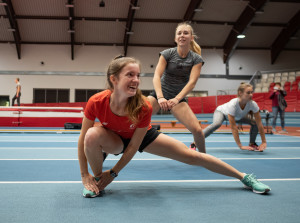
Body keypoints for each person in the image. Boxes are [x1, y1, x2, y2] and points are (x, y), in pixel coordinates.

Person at [77, 56, 271, 198]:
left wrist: (113, 173)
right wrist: (84, 174)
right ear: (114, 79)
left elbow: (134, 146)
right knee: (91, 136)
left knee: (193, 156)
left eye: (138, 75)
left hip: (140, 137)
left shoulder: (142, 106)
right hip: (113, 138)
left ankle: (244, 177)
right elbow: (82, 139)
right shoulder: (97, 101)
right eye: (130, 75)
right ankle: (94, 182)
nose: (136, 80)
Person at [148, 22, 206, 153]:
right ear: (175, 38)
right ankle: (108, 149)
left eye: (186, 33)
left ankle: (203, 157)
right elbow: (156, 75)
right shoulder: (167, 54)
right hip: (159, 95)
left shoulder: (196, 59)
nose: (182, 35)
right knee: (134, 120)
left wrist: (177, 99)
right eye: (179, 33)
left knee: (197, 130)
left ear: (191, 38)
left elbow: (192, 83)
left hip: (178, 98)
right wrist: (160, 97)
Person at [190, 83, 267, 152]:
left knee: (255, 123)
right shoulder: (233, 104)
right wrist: (240, 146)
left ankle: (252, 143)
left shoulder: (253, 104)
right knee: (217, 124)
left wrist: (264, 142)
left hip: (237, 116)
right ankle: (194, 143)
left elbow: (259, 123)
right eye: (248, 92)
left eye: (251, 92)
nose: (251, 95)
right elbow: (233, 127)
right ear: (240, 93)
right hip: (221, 112)